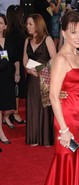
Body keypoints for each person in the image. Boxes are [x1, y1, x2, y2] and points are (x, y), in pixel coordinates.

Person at [19, 11, 79, 185]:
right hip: (66, 120)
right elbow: (52, 95)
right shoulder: (61, 58)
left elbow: (72, 87)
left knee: (77, 161)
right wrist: (63, 129)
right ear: (63, 33)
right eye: (73, 32)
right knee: (65, 162)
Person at [23, 13, 56, 146]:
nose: (28, 26)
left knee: (45, 107)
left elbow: (54, 58)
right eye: (27, 24)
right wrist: (28, 69)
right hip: (32, 78)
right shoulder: (27, 40)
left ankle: (46, 138)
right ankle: (34, 137)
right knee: (32, 105)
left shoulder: (47, 39)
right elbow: (25, 58)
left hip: (45, 77)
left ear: (38, 24)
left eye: (30, 24)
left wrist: (40, 69)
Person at [0, 13, 20, 143]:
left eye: (1, 23)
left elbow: (16, 59)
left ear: (5, 26)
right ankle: (1, 134)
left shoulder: (10, 41)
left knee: (11, 106)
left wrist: (17, 72)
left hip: (8, 76)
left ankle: (6, 117)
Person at [6, 5, 26, 124]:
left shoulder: (7, 32)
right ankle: (15, 113)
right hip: (17, 64)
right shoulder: (20, 33)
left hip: (9, 64)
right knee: (16, 89)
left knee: (13, 89)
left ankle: (12, 113)